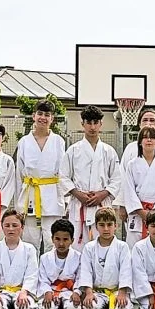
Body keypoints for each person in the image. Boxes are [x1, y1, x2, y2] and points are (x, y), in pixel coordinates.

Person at [59, 105, 121, 250]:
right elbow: (63, 177)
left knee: (104, 245)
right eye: (89, 123)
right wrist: (77, 194)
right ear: (83, 124)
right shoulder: (73, 151)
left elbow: (116, 179)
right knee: (78, 246)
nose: (92, 127)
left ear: (101, 124)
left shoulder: (109, 151)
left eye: (95, 122)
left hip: (102, 204)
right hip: (79, 203)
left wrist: (103, 194)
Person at [15, 99, 67, 253]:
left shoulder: (58, 141)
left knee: (52, 243)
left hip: (52, 198)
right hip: (30, 196)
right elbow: (19, 175)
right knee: (30, 244)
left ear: (52, 118)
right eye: (40, 114)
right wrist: (19, 205)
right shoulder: (24, 142)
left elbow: (63, 173)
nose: (43, 117)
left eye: (47, 115)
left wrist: (65, 200)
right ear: (33, 116)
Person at [115, 108, 155, 223]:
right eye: (145, 120)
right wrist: (123, 204)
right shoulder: (130, 149)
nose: (148, 123)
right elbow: (123, 178)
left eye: (152, 120)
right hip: (136, 209)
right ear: (139, 124)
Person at [122, 126, 155, 248]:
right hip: (138, 214)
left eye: (152, 137)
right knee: (135, 248)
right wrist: (142, 212)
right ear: (140, 142)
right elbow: (129, 190)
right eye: (145, 137)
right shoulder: (132, 165)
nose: (149, 140)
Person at [78, 206, 134, 309]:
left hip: (117, 292)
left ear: (115, 226)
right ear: (96, 227)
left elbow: (125, 271)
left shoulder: (122, 247)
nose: (106, 229)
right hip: (97, 293)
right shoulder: (89, 247)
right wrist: (89, 293)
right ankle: (105, 306)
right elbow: (86, 272)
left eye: (109, 225)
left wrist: (122, 293)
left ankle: (109, 306)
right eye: (102, 225)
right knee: (90, 307)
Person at [0, 209, 40, 309]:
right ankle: (8, 305)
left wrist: (24, 292)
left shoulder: (29, 249)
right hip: (1, 291)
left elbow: (32, 275)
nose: (11, 229)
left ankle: (13, 305)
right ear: (2, 227)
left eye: (15, 225)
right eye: (7, 225)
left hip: (21, 291)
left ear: (22, 227)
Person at [37, 219, 82, 309]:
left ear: (72, 240)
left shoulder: (78, 257)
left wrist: (77, 292)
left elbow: (80, 278)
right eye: (57, 239)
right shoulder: (45, 258)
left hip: (70, 292)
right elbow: (43, 280)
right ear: (52, 239)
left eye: (65, 239)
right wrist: (47, 292)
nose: (61, 243)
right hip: (51, 291)